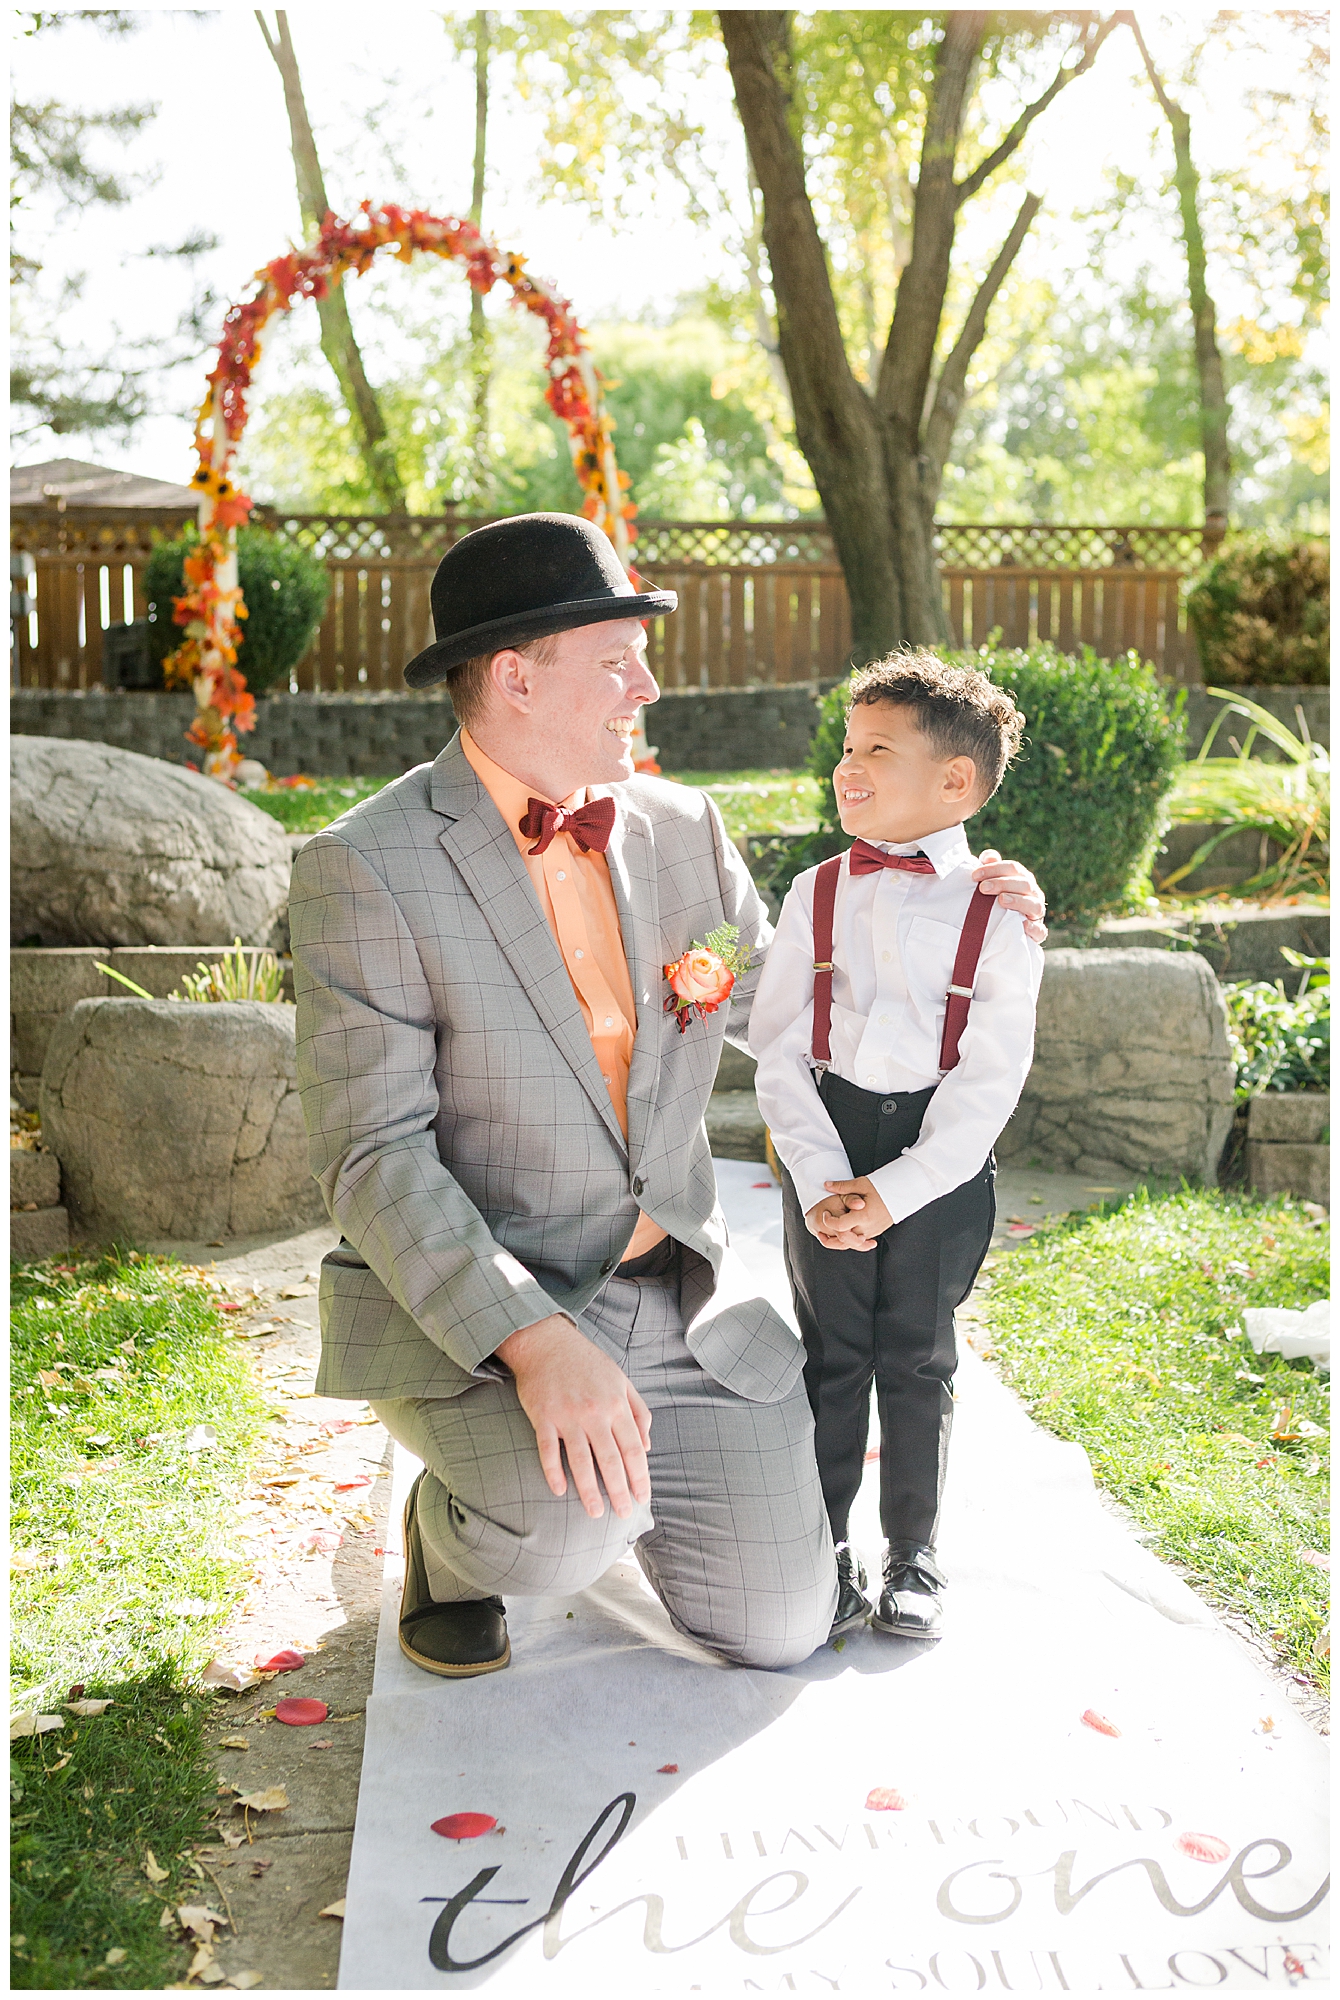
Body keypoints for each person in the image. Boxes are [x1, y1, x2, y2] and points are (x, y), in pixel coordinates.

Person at [288, 515, 1048, 1679]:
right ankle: (457, 1541)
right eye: (616, 657)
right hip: (489, 1316)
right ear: (513, 674)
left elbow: (792, 1007)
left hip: (679, 1299)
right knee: (562, 1527)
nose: (647, 683)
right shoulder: (363, 864)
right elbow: (372, 1155)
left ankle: (621, 1482)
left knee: (783, 1623)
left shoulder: (681, 826)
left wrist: (964, 894)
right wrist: (535, 1345)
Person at [750, 653, 1045, 1645]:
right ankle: (823, 1546)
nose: (847, 766)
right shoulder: (814, 892)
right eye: (845, 746)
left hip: (939, 1158)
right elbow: (778, 1043)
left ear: (954, 782)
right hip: (824, 1134)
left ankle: (911, 1552)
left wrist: (897, 1190)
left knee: (914, 1359)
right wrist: (822, 1175)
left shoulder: (999, 912)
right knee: (830, 1354)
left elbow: (988, 1079)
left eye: (877, 749)